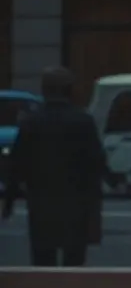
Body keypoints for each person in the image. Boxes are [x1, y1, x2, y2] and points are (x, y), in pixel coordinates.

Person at [1, 66, 107, 267]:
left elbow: (17, 164)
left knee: (43, 260)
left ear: (45, 90)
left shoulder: (31, 122)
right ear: (69, 90)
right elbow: (96, 161)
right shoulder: (83, 120)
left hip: (41, 200)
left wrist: (9, 201)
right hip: (76, 202)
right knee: (74, 260)